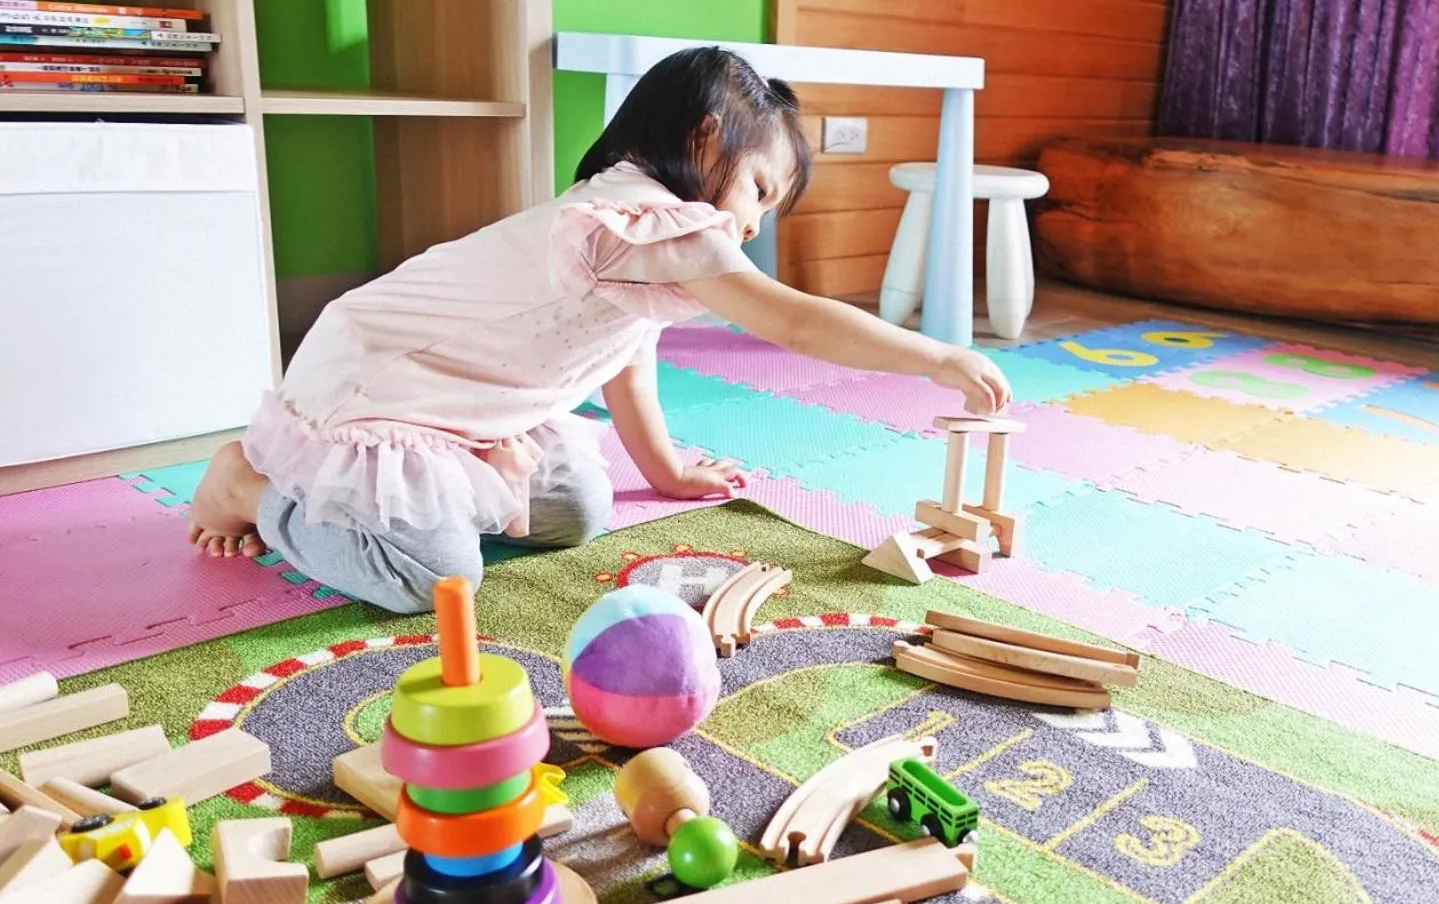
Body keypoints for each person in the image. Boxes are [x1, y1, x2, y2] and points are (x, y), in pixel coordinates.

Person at [184, 46, 1011, 612]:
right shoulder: (639, 219)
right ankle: (249, 489)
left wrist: (669, 471)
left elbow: (626, 361)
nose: (754, 224)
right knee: (432, 579)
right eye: (759, 190)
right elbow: (791, 321)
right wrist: (934, 355)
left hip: (476, 411)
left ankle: (441, 494)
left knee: (578, 510)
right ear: (704, 137)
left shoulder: (647, 237)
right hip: (377, 390)